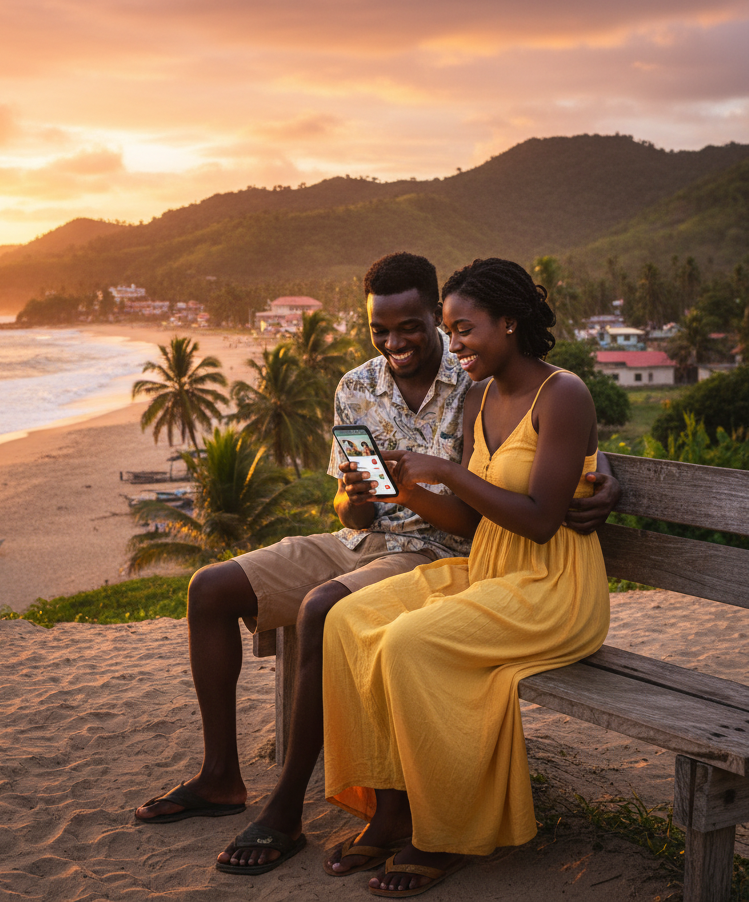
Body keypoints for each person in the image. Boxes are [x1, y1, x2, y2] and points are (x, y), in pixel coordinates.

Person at [134, 252, 618, 875]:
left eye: (415, 326)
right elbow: (351, 510)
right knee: (210, 588)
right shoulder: (360, 388)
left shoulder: (474, 384)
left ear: (445, 318)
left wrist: (603, 475)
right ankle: (222, 778)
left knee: (329, 612)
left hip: (442, 551)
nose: (397, 342)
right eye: (380, 331)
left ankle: (290, 807)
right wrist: (356, 500)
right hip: (367, 540)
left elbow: (547, 461)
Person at [322, 258, 610, 896]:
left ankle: (443, 832)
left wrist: (447, 471)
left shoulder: (564, 394)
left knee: (408, 642)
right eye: (450, 332)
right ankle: (390, 810)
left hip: (550, 589)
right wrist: (401, 489)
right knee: (347, 619)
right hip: (488, 568)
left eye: (464, 330)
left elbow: (539, 521)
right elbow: (466, 518)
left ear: (509, 323)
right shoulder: (478, 396)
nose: (455, 347)